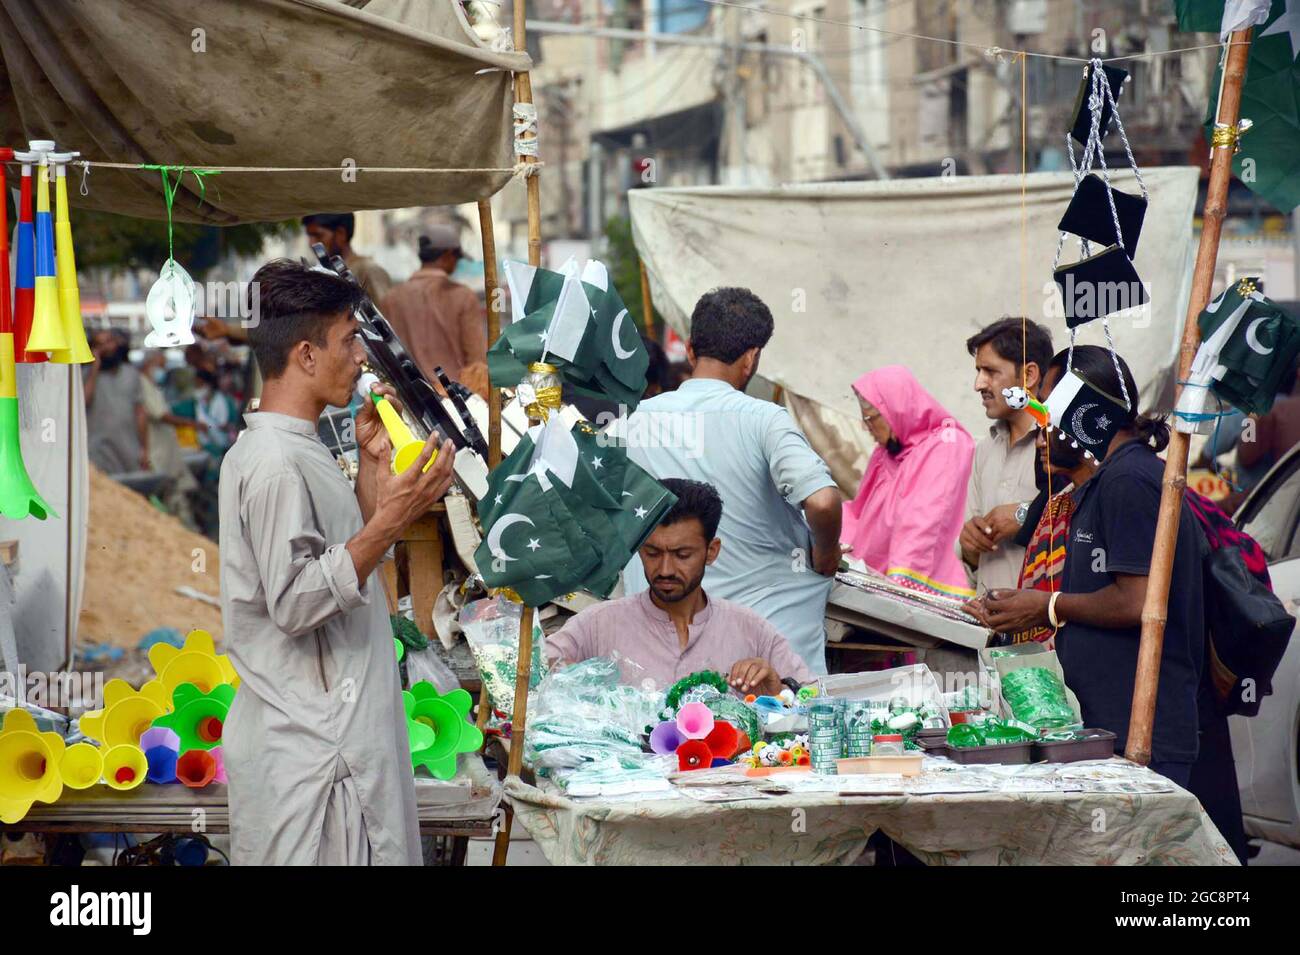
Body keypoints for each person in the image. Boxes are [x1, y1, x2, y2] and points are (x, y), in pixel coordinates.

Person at [218, 259, 456, 865]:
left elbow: (336, 559)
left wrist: (375, 483)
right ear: (305, 354)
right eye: (349, 339)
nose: (360, 357)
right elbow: (297, 602)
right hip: (314, 759)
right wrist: (390, 521)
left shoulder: (302, 445)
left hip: (339, 746)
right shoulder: (273, 461)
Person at [971, 346, 1206, 787]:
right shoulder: (1096, 484)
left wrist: (1048, 606)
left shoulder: (1128, 481)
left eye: (1049, 403)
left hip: (1142, 735)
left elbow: (1138, 601)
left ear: (1089, 411)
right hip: (1103, 730)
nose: (1041, 420)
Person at [616, 288, 842, 675]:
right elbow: (821, 502)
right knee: (781, 734)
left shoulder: (631, 424)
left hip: (663, 649)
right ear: (752, 357)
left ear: (689, 349)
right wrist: (826, 551)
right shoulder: (763, 419)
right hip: (764, 658)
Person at [547, 479, 815, 693]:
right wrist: (572, 682)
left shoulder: (751, 631)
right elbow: (525, 672)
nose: (665, 569)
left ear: (711, 551)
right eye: (652, 553)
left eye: (682, 555)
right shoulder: (597, 625)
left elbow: (813, 700)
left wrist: (779, 690)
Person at [841, 365, 975, 599]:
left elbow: (924, 523)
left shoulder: (946, 444)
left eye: (871, 418)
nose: (866, 427)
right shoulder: (886, 453)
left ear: (895, 410)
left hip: (910, 592)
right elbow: (858, 512)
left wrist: (900, 586)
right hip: (868, 580)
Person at [959, 318, 1054, 592]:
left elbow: (1080, 523)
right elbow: (974, 561)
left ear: (1029, 375)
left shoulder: (1059, 443)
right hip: (987, 627)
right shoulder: (985, 449)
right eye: (978, 371)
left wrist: (1024, 515)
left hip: (1045, 630)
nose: (979, 384)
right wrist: (968, 546)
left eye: (990, 371)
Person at [378, 225, 486, 384]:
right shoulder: (462, 296)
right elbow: (477, 361)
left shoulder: (391, 298)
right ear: (448, 255)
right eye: (457, 259)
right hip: (457, 398)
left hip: (410, 399)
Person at [139, 351, 200, 528]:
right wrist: (190, 424)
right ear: (151, 363)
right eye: (161, 364)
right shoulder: (142, 384)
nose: (162, 369)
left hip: (165, 450)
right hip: (156, 451)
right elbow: (161, 415)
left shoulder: (152, 385)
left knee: (175, 493)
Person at [83, 329, 149, 475]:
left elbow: (140, 413)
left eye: (109, 342)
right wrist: (95, 367)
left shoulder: (131, 374)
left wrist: (144, 448)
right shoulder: (86, 375)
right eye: (100, 344)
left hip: (128, 447)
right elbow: (83, 403)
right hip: (98, 449)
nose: (106, 348)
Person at [302, 212, 392, 301]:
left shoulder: (368, 271)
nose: (311, 243)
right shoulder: (323, 272)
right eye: (309, 236)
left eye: (318, 236)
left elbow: (384, 313)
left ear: (341, 234)